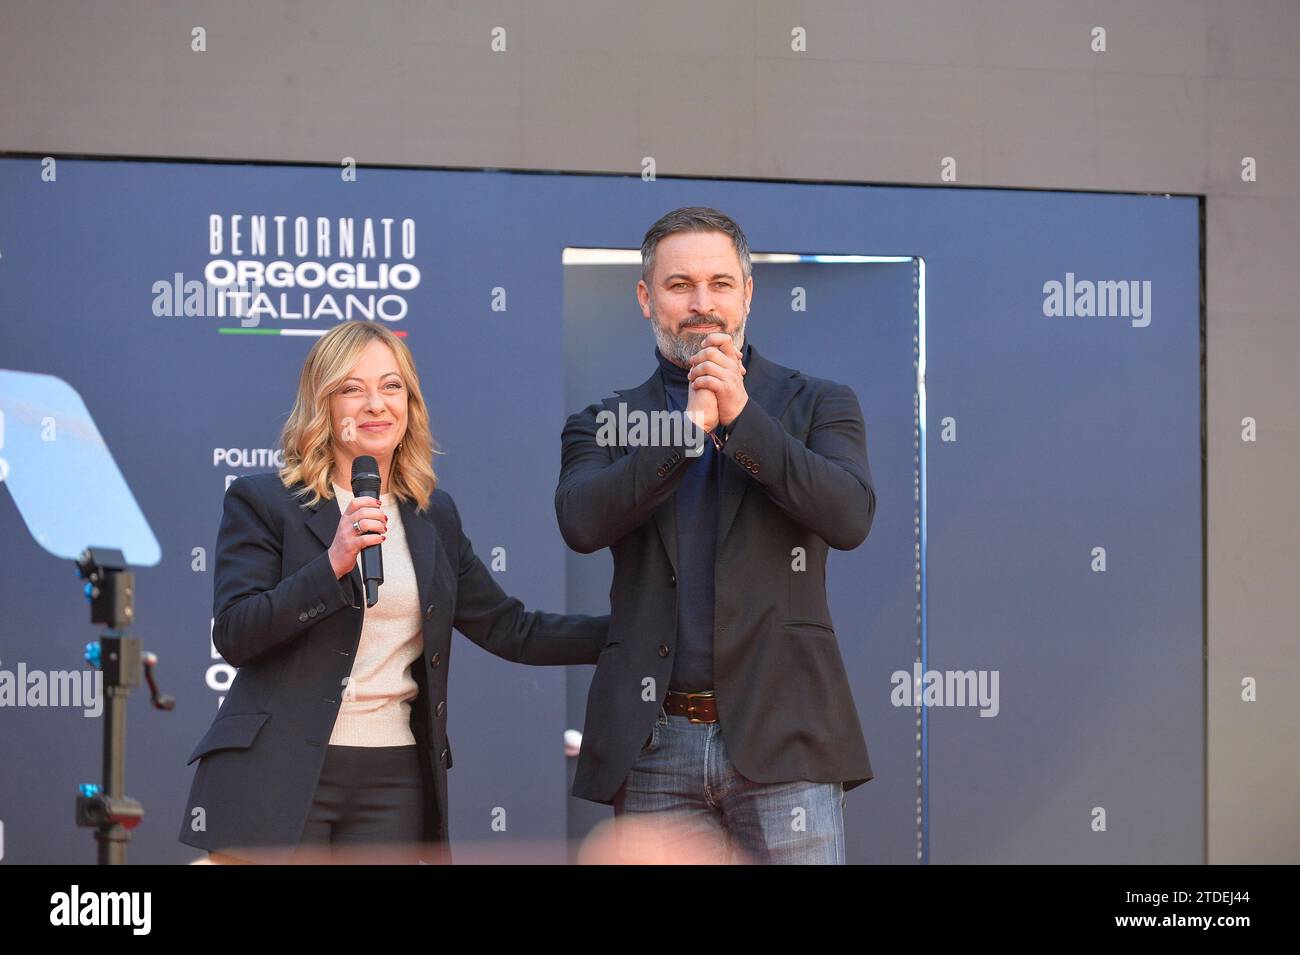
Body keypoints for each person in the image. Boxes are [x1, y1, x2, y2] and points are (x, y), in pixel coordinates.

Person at [179, 320, 607, 864]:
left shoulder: (433, 515)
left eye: (391, 386)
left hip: (394, 778)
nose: (376, 404)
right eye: (352, 388)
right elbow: (237, 634)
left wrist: (630, 631)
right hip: (280, 774)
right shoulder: (265, 501)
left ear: (410, 403)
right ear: (323, 405)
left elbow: (509, 628)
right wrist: (333, 563)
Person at [556, 206, 876, 863]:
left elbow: (849, 515)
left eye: (720, 284)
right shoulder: (607, 421)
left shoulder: (818, 402)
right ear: (646, 297)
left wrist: (741, 417)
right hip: (653, 742)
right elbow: (582, 521)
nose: (703, 304)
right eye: (680, 286)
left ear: (748, 294)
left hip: (786, 735)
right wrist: (685, 432)